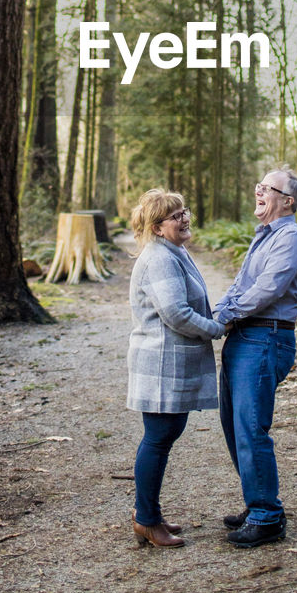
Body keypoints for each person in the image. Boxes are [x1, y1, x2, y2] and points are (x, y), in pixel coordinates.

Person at [213, 165, 297, 549]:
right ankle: (260, 503)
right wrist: (218, 314)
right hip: (245, 337)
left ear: (286, 202)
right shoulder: (264, 237)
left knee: (252, 428)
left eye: (267, 188)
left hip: (265, 339)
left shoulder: (290, 240)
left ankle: (267, 517)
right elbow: (240, 286)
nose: (258, 191)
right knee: (235, 426)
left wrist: (222, 317)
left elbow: (266, 291)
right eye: (258, 185)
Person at [127, 188, 224, 547]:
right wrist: (217, 328)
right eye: (175, 215)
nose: (184, 218)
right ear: (156, 228)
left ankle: (148, 512)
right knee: (158, 438)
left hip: (169, 363)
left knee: (163, 436)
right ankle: (147, 520)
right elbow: (176, 314)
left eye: (185, 211)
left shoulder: (174, 251)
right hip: (160, 364)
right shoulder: (160, 258)